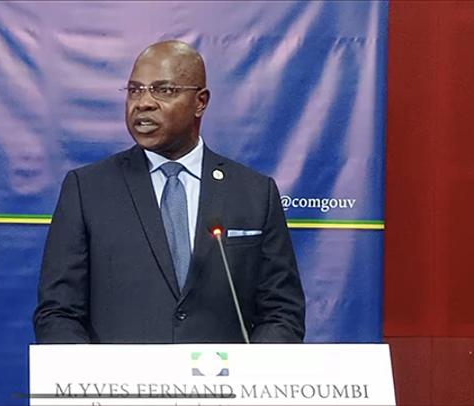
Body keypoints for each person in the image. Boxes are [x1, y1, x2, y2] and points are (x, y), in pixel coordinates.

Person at [34, 40, 305, 344]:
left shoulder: (254, 193)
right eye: (135, 90)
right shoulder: (87, 190)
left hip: (223, 375)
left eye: (163, 90)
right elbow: (58, 314)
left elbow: (281, 312)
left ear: (200, 102)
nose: (143, 103)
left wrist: (248, 369)